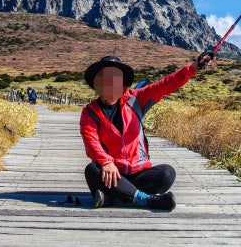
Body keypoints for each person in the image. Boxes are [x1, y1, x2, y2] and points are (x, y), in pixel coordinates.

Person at [80, 52, 215, 211]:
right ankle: (146, 199)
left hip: (139, 173)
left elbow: (166, 84)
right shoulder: (90, 112)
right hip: (112, 173)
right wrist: (106, 162)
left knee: (166, 173)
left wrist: (193, 67)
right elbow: (91, 143)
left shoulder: (137, 99)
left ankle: (114, 196)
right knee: (92, 170)